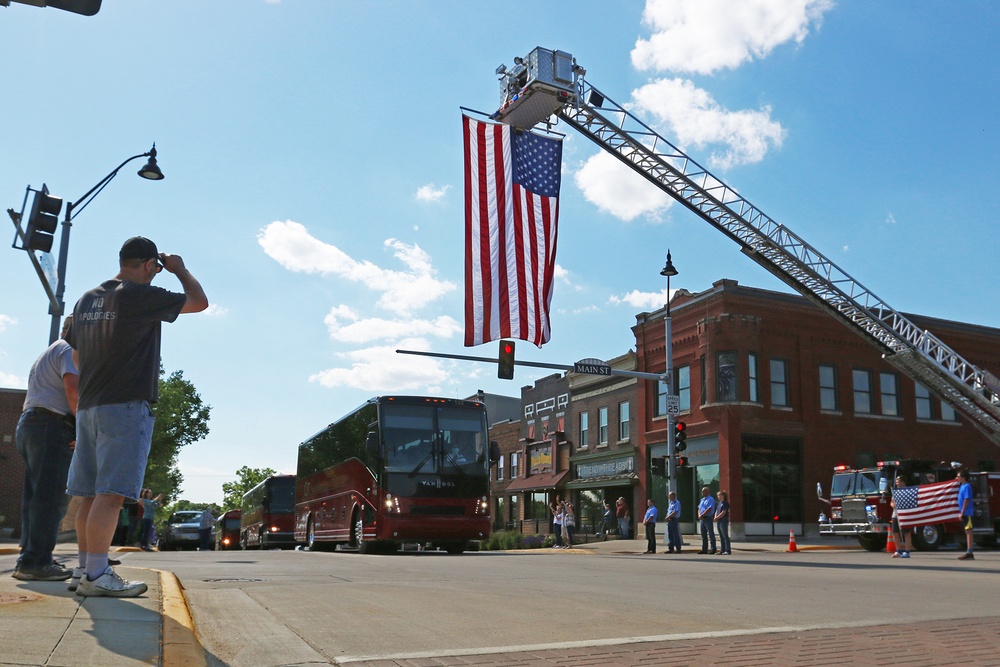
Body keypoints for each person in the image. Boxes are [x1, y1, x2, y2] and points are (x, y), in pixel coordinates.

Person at [66, 236, 208, 597]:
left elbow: (77, 356)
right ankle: (98, 575)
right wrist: (180, 269)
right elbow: (199, 303)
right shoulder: (138, 294)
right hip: (124, 404)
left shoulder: (87, 299)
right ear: (148, 264)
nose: (157, 273)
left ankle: (83, 570)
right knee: (111, 494)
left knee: (88, 495)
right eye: (156, 268)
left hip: (89, 405)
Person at [12, 317, 78, 582]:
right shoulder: (69, 349)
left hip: (31, 422)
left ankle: (30, 558)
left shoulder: (50, 350)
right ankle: (36, 562)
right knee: (50, 498)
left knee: (36, 497)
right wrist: (84, 429)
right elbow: (72, 389)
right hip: (51, 425)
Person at [890, 474, 914, 558]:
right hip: (895, 515)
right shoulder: (895, 491)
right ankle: (898, 551)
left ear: (903, 482)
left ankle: (907, 551)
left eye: (898, 481)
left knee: (906, 533)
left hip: (905, 514)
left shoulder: (908, 491)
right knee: (895, 532)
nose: (896, 483)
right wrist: (893, 505)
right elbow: (891, 502)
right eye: (896, 481)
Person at [957, 469, 975, 560]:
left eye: (959, 476)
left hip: (967, 512)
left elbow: (966, 499)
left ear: (964, 477)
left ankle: (969, 552)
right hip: (964, 513)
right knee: (967, 531)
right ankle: (969, 551)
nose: (957, 478)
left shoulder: (967, 486)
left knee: (969, 531)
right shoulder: (962, 486)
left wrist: (962, 512)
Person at [697, 486, 717, 554]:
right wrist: (699, 515)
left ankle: (713, 549)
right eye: (702, 491)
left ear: (708, 492)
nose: (703, 492)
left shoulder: (710, 499)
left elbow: (709, 509)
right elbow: (699, 508)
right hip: (702, 519)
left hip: (708, 518)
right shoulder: (702, 500)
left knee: (711, 534)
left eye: (704, 491)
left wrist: (702, 515)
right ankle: (704, 549)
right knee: (703, 535)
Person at [714, 490, 731, 555]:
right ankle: (722, 550)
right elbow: (717, 511)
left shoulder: (725, 503)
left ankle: (728, 550)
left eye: (720, 495)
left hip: (723, 520)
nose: (718, 497)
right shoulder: (719, 503)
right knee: (721, 536)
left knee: (725, 535)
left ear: (723, 496)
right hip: (719, 520)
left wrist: (717, 517)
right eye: (718, 495)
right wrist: (715, 517)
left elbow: (724, 512)